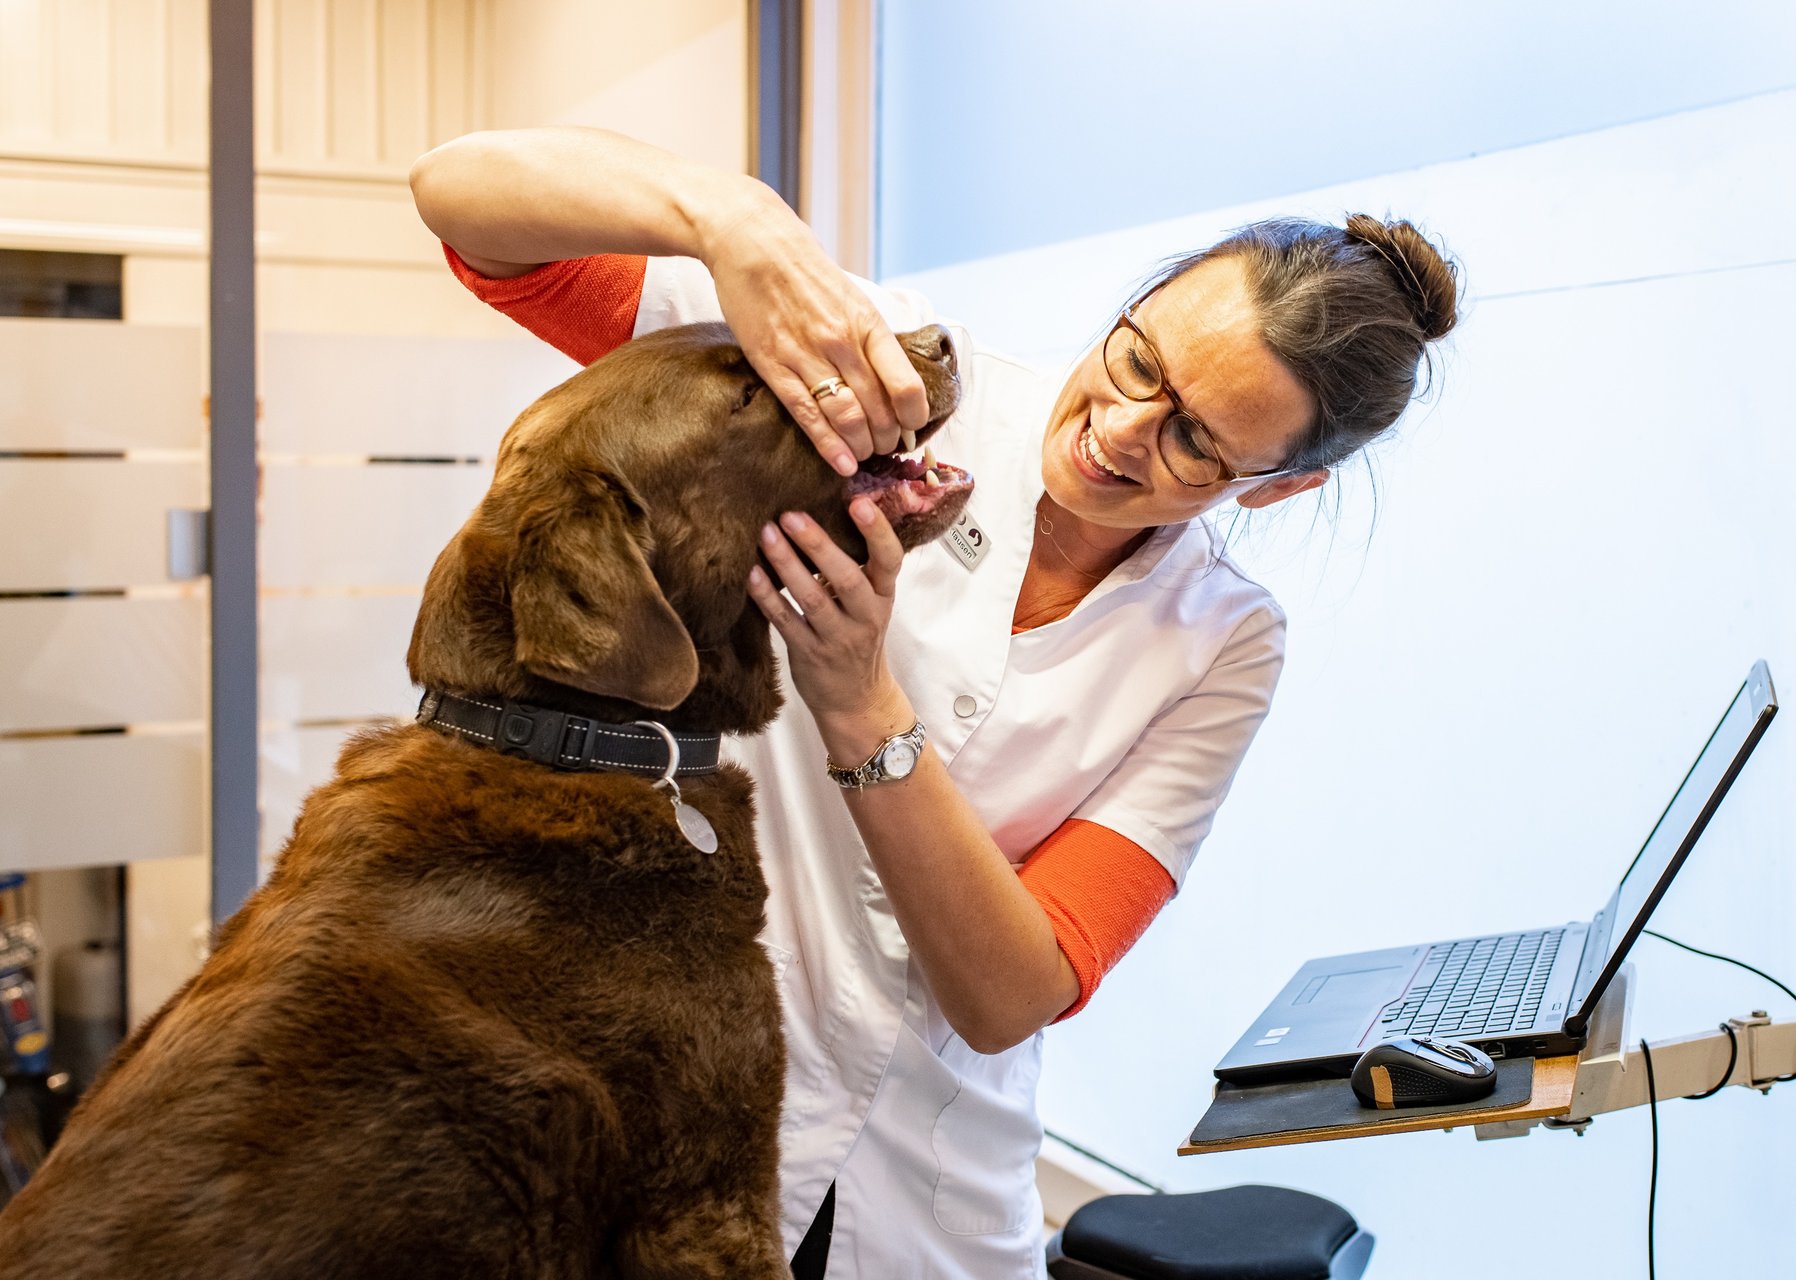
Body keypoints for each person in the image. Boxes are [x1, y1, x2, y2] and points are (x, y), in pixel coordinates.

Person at [410, 125, 1459, 1278]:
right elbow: (461, 198)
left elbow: (1016, 987)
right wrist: (728, 217)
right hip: (659, 1093)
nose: (1118, 433)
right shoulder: (890, 370)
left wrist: (861, 703)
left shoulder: (1221, 644)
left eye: (1197, 443)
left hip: (927, 1185)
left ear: (1281, 486)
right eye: (1138, 361)